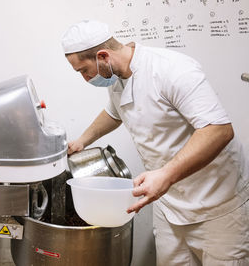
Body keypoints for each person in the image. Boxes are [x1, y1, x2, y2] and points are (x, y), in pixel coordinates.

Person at [61, 20, 249, 265]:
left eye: (83, 71)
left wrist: (166, 175)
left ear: (103, 56)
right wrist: (81, 141)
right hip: (169, 202)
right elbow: (114, 112)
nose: (85, 78)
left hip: (215, 202)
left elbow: (219, 131)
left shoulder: (172, 70)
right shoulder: (116, 74)